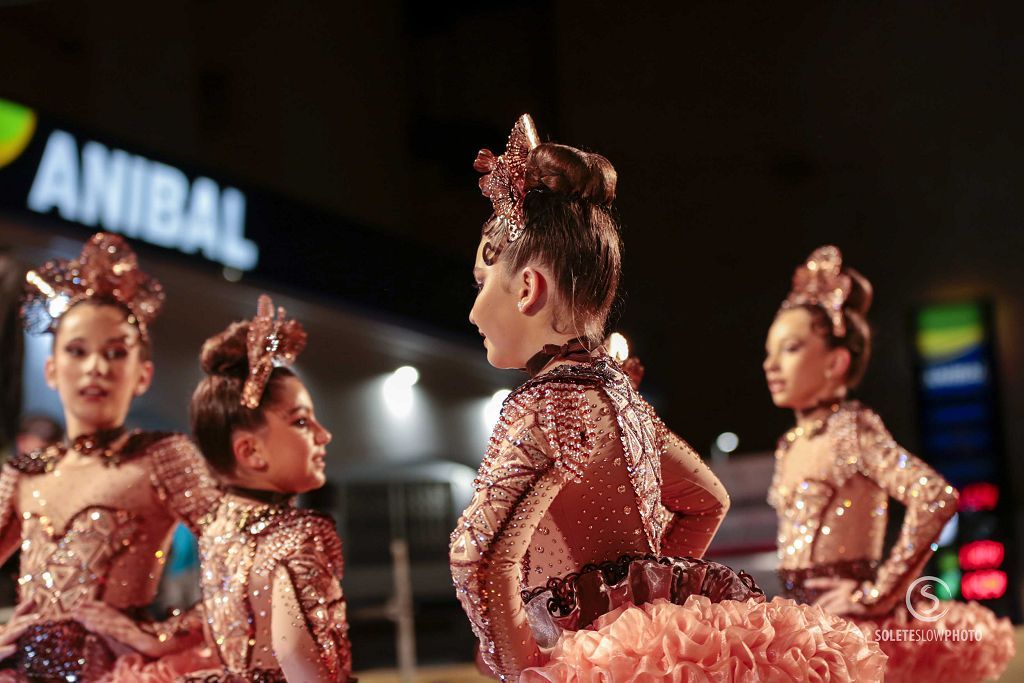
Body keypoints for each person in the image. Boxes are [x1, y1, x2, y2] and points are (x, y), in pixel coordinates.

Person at [451, 115, 885, 682]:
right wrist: (653, 611)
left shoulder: (544, 404)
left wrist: (527, 669)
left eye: (483, 284)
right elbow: (707, 501)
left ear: (529, 289)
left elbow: (478, 557)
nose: (474, 310)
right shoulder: (621, 399)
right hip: (658, 661)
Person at [765, 245, 1014, 682]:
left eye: (790, 348)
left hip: (847, 631)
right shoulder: (790, 442)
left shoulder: (853, 430)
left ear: (836, 362)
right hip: (796, 623)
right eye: (768, 352)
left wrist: (883, 592)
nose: (771, 365)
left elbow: (934, 497)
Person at [0, 232, 221, 682]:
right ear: (52, 368)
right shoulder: (24, 473)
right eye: (77, 351)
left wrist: (163, 638)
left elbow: (239, 560)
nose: (95, 368)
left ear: (143, 375)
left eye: (115, 352)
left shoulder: (163, 457)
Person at [184, 294, 352, 682]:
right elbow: (295, 652)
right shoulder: (299, 534)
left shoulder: (215, 528)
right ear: (251, 451)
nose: (323, 436)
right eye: (301, 422)